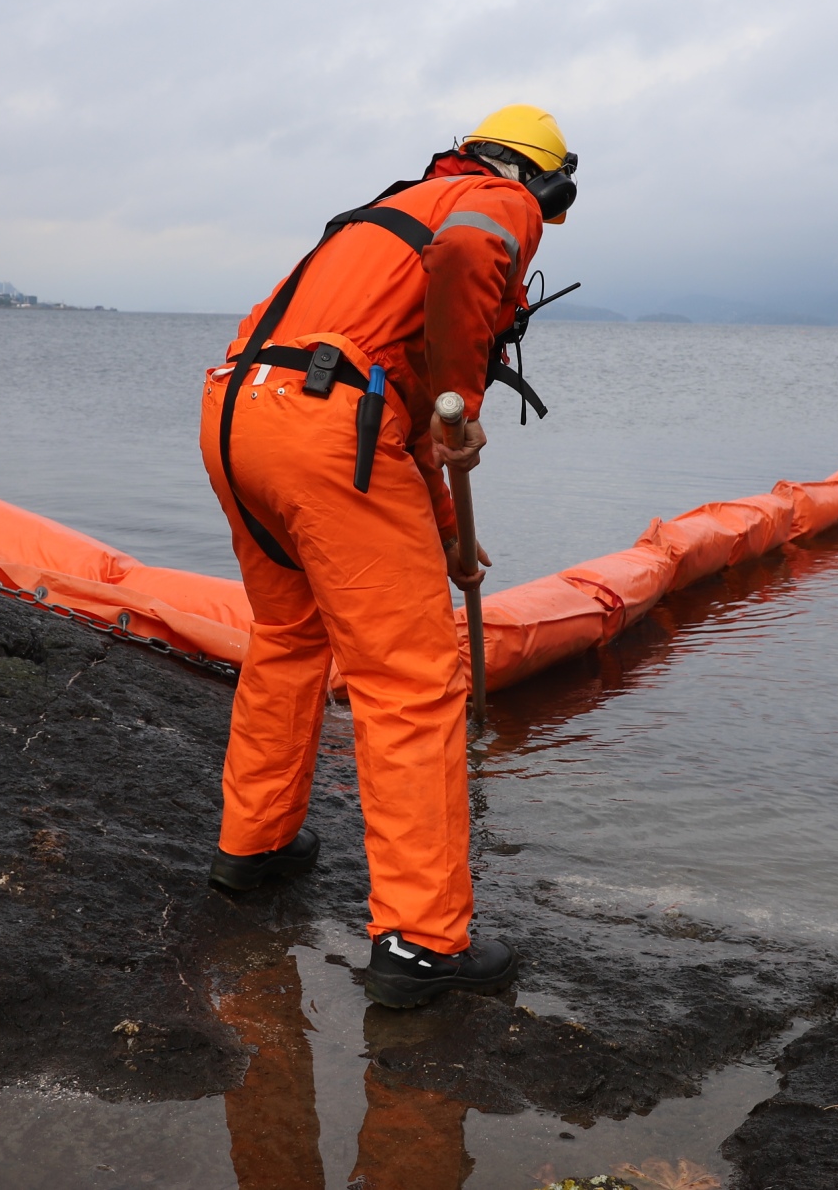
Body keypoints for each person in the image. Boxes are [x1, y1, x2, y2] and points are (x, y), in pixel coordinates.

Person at [199, 106, 578, 1008]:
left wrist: (447, 534)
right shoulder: (498, 203)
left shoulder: (394, 210)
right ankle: (418, 940)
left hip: (240, 409)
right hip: (331, 429)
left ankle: (252, 848)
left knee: (290, 636)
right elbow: (465, 272)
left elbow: (389, 406)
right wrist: (465, 388)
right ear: (544, 181)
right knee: (411, 682)